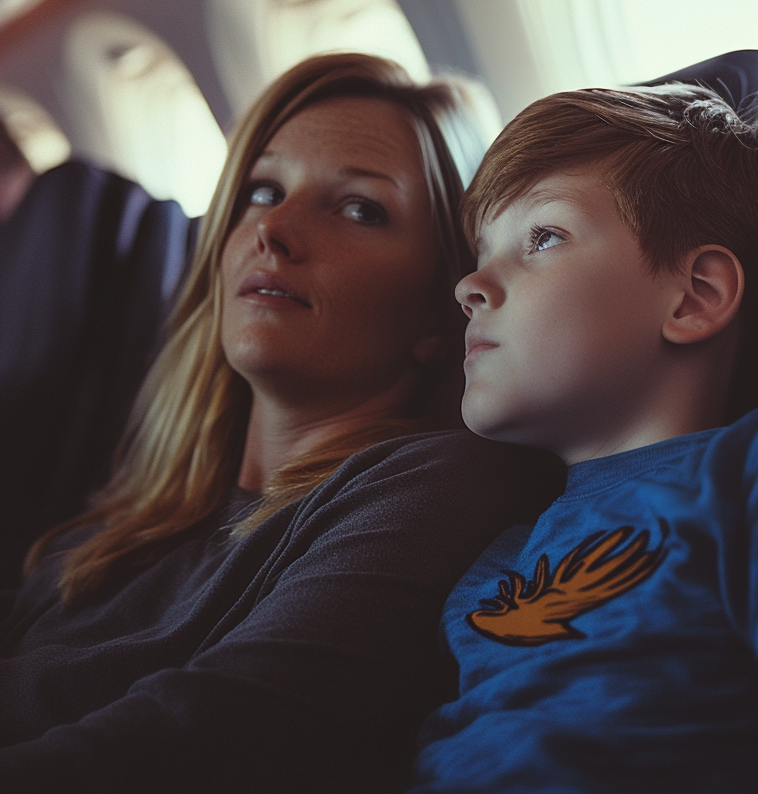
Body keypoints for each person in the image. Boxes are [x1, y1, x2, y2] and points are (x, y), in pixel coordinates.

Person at [0, 53, 564, 793]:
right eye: (263, 190)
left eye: (359, 208)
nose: (275, 229)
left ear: (438, 309)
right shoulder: (125, 523)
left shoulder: (444, 485)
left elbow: (195, 741)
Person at [411, 84, 758, 792]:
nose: (470, 285)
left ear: (693, 297)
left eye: (542, 236)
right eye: (481, 251)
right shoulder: (491, 569)